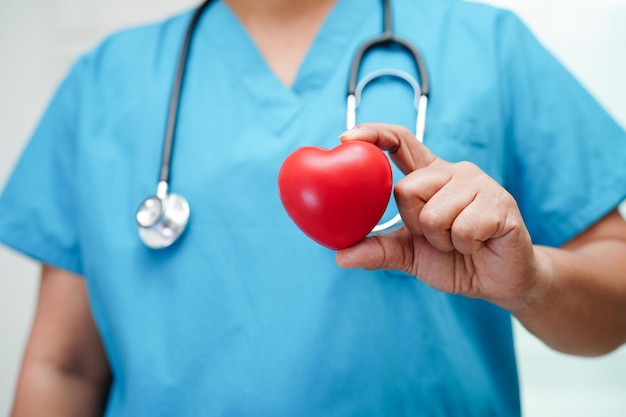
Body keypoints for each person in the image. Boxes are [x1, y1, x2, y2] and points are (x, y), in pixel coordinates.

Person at [2, 0, 626, 415]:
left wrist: (533, 283)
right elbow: (66, 366)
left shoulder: (485, 44)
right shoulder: (107, 80)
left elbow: (615, 295)